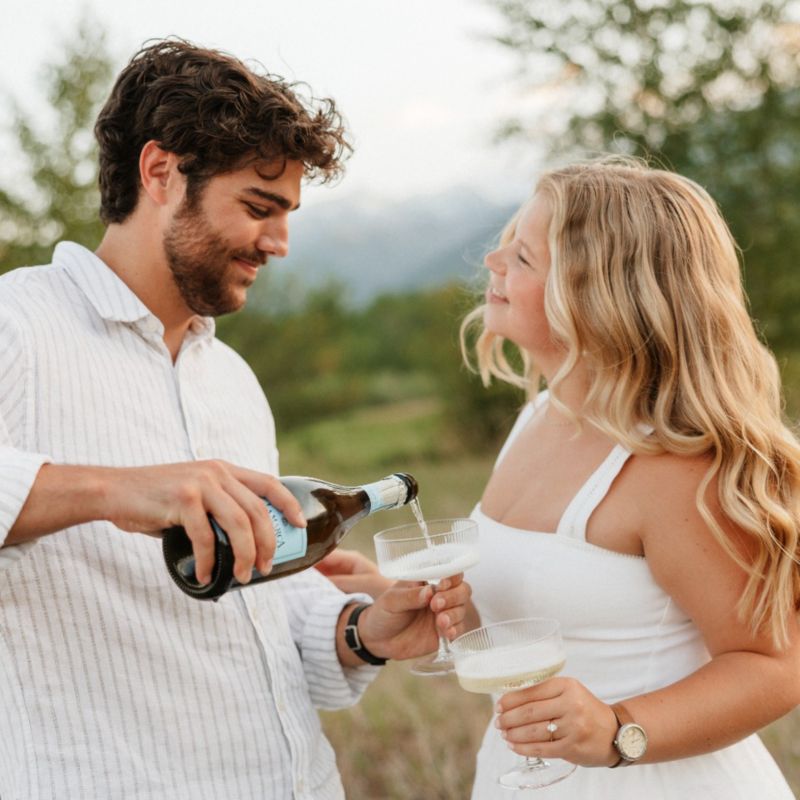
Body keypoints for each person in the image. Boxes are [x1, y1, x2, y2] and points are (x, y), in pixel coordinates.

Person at [0, 40, 470, 799]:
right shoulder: (15, 326)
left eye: (286, 215)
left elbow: (259, 603)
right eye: (258, 208)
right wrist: (110, 490)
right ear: (161, 172)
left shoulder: (233, 381)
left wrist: (360, 633)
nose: (279, 244)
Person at [317, 157, 800, 798]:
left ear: (597, 298)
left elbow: (772, 665)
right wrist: (406, 597)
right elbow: (544, 615)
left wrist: (617, 729)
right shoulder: (540, 417)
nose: (491, 262)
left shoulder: (678, 467)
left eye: (522, 257)